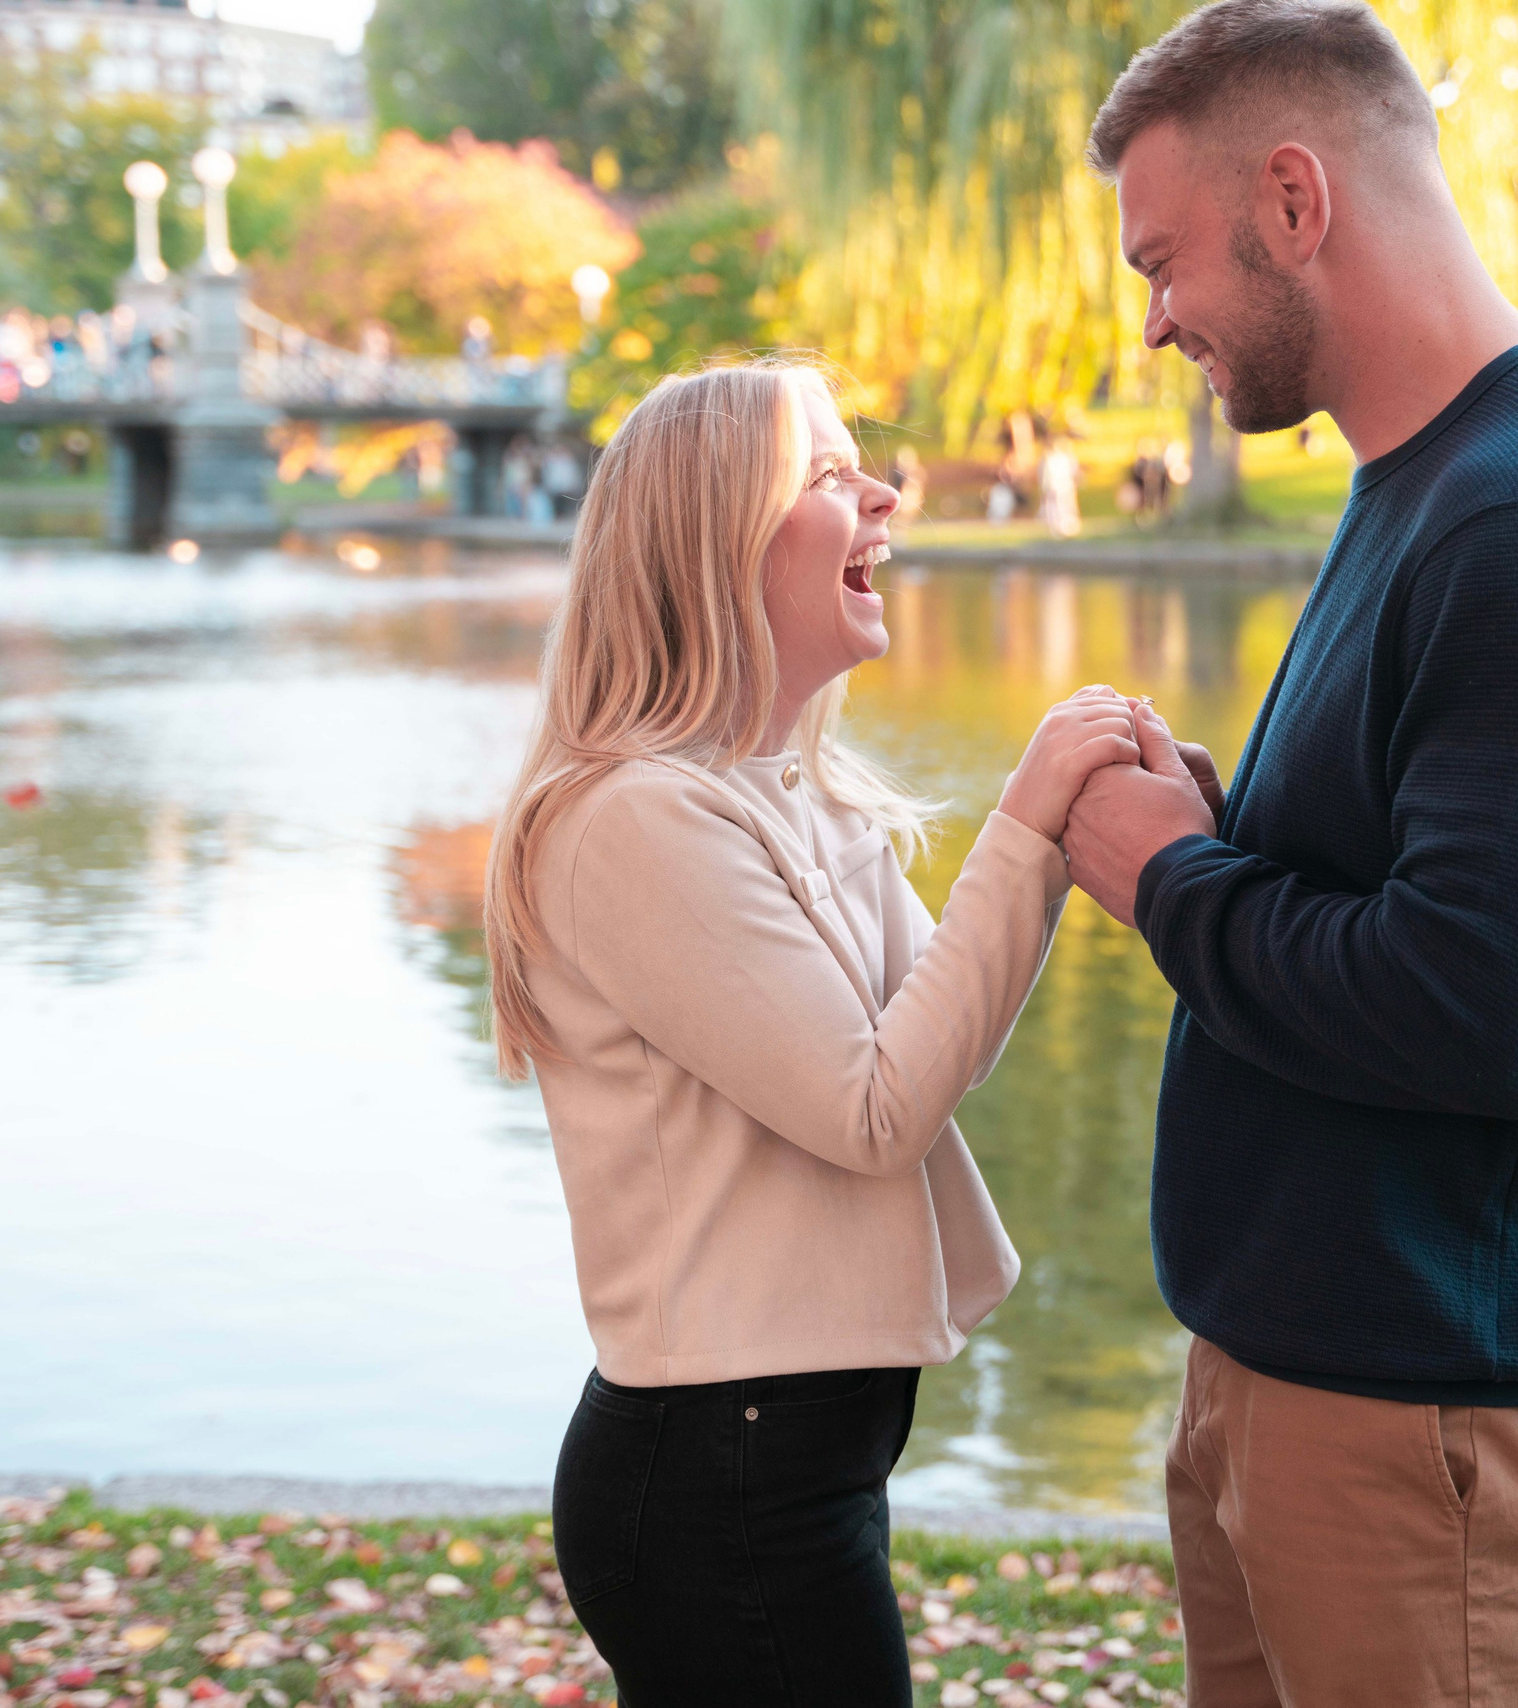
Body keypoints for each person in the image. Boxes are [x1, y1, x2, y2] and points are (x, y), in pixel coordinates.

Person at [1066, 3, 1518, 1703]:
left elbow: (1487, 1015)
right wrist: (1224, 829)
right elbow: (1418, 879)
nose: (1153, 321)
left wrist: (1168, 880)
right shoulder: (1425, 480)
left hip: (1430, 1418)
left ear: (1295, 201)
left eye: (1162, 261)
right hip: (1315, 1377)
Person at [478, 359, 1145, 1703]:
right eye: (832, 475)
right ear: (717, 539)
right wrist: (1024, 825)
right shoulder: (635, 819)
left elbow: (932, 1053)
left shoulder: (788, 788)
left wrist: (1079, 838)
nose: (886, 496)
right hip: (721, 1474)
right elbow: (871, 1111)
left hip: (791, 1454)